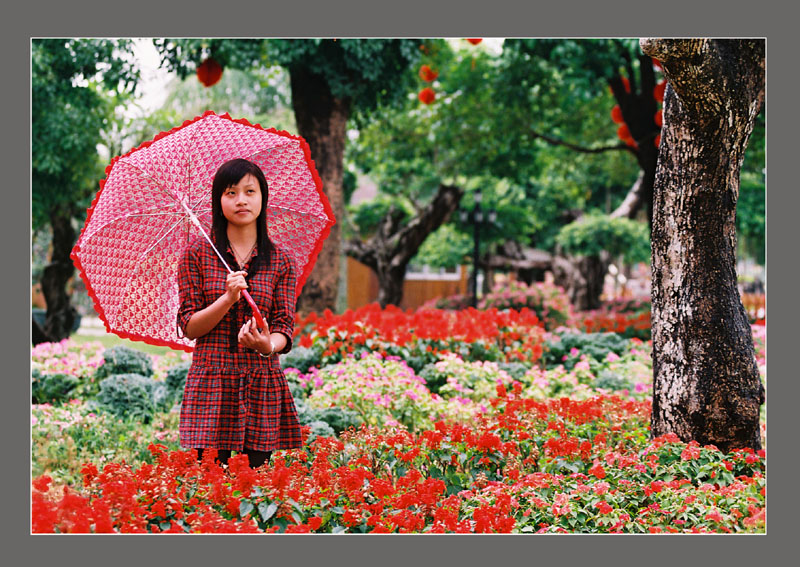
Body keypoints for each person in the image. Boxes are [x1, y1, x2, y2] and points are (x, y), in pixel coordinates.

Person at [176, 158, 302, 469]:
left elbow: (285, 326)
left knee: (257, 483)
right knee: (208, 481)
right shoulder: (197, 255)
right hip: (212, 383)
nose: (241, 200)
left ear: (263, 198)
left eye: (250, 191)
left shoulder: (281, 261)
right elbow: (190, 326)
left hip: (261, 382)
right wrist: (228, 298)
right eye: (231, 192)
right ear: (219, 201)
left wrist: (266, 346)